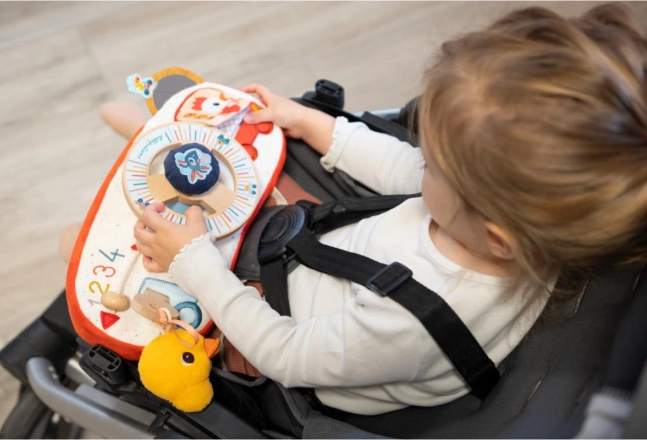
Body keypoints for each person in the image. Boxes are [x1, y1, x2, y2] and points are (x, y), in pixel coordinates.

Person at [80, 3, 647, 415]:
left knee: (115, 256)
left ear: (497, 235)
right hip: (336, 255)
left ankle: (146, 162)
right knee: (223, 178)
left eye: (435, 164)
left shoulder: (410, 327)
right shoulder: (505, 226)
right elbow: (403, 172)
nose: (418, 161)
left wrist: (196, 265)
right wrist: (311, 123)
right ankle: (157, 152)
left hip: (275, 324)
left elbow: (285, 353)